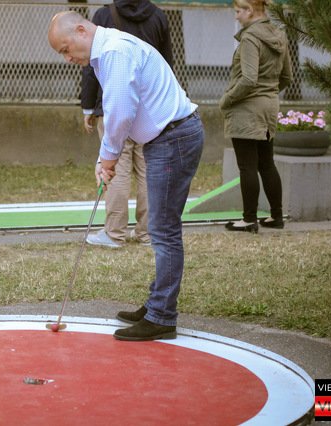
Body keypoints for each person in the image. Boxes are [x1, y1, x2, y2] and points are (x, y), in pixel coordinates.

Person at [48, 11, 204, 341]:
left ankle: (162, 316)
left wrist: (108, 159)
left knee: (163, 229)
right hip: (168, 137)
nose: (67, 58)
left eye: (66, 49)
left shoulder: (114, 52)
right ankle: (157, 304)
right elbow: (119, 111)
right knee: (162, 227)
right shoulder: (106, 53)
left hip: (173, 138)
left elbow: (120, 113)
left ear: (81, 30)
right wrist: (106, 158)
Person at [81, 0, 173, 248]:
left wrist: (88, 105)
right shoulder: (158, 16)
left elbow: (90, 64)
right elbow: (167, 62)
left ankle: (114, 232)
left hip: (113, 105)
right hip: (150, 110)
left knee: (116, 169)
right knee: (148, 171)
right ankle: (148, 233)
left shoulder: (103, 15)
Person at [219, 0, 291, 233]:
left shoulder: (250, 37)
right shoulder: (279, 35)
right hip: (269, 106)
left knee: (247, 166)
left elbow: (249, 79)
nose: (236, 16)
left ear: (250, 11)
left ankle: (249, 219)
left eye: (238, 11)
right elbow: (287, 77)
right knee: (266, 163)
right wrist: (268, 93)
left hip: (246, 109)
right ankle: (276, 217)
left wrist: (227, 99)